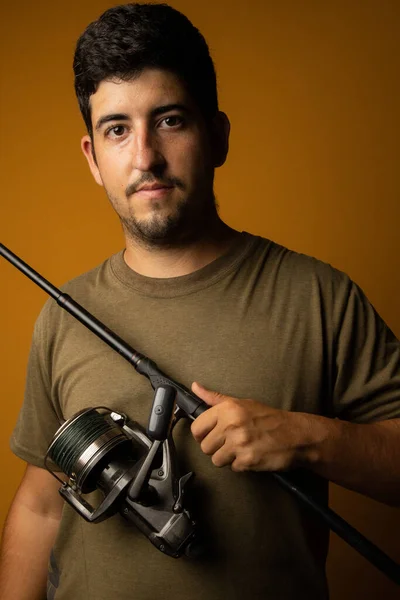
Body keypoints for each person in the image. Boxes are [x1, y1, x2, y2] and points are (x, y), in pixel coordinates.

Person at [0, 3, 399, 599]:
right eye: (118, 130)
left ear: (217, 135)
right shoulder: (64, 313)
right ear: (93, 158)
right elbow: (41, 506)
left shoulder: (319, 297)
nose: (145, 158)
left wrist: (305, 438)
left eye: (169, 121)